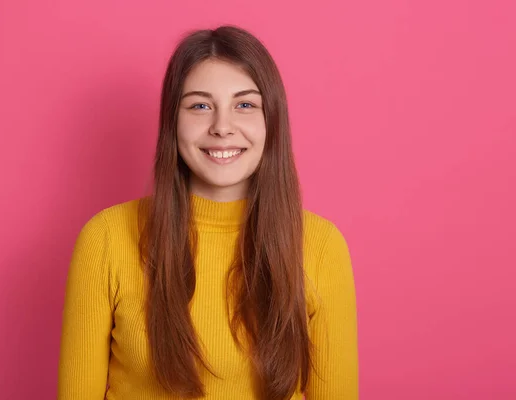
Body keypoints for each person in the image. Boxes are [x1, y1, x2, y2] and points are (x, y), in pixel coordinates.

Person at [57, 25, 358, 400]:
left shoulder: (321, 246)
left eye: (244, 105)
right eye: (200, 105)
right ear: (173, 121)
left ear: (272, 121)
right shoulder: (105, 238)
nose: (222, 127)